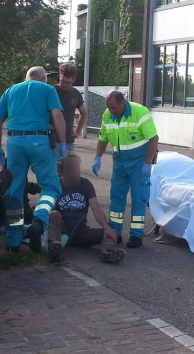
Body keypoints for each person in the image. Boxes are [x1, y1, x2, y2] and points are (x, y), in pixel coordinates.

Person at [0, 66, 67, 253]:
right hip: (39, 140)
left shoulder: (10, 90)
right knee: (51, 186)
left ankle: (13, 242)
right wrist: (63, 143)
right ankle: (39, 222)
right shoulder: (47, 89)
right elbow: (57, 114)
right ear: (43, 79)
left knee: (14, 189)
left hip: (15, 142)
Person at [92, 90, 158, 249]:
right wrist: (97, 157)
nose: (111, 111)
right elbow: (103, 139)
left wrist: (147, 163)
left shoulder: (140, 112)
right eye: (108, 107)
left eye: (113, 107)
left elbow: (154, 138)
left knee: (138, 198)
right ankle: (115, 232)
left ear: (122, 103)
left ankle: (136, 236)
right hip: (120, 163)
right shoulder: (108, 115)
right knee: (116, 197)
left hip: (138, 163)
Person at [47, 153, 125, 264]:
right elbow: (46, 205)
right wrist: (53, 211)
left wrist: (107, 227)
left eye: (77, 170)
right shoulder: (55, 185)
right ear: (63, 171)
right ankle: (54, 249)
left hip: (80, 231)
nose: (76, 173)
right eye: (72, 170)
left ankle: (108, 253)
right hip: (62, 230)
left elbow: (96, 209)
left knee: (109, 232)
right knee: (54, 221)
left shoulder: (86, 185)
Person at [54, 62, 87, 151]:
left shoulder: (75, 93)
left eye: (68, 83)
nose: (65, 85)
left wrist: (78, 131)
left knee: (71, 164)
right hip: (52, 141)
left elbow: (83, 113)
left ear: (73, 79)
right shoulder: (52, 91)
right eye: (63, 82)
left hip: (69, 141)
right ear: (60, 76)